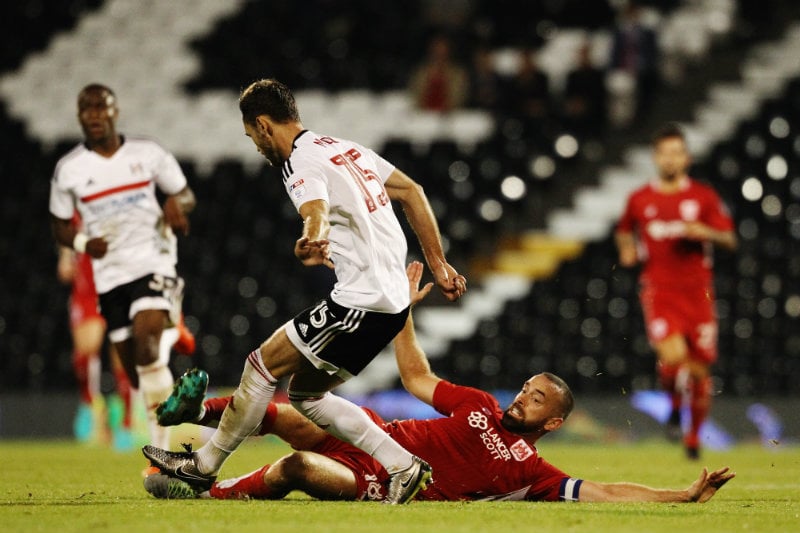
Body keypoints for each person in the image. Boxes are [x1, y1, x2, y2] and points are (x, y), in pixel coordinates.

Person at [144, 262, 734, 503]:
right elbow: (416, 374)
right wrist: (400, 308)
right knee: (290, 411)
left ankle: (207, 492)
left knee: (297, 466)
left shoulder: (533, 473)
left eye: (536, 399)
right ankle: (189, 414)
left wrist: (679, 496)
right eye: (526, 388)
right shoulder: (478, 404)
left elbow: (602, 491)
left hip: (383, 479)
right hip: (378, 433)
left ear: (553, 422)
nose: (521, 398)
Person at [143, 78, 467, 504]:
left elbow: (313, 211)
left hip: (360, 301)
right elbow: (413, 191)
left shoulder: (300, 162)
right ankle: (403, 467)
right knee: (307, 395)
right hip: (389, 304)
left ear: (263, 125)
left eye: (251, 136)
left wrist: (312, 236)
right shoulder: (347, 149)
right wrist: (439, 262)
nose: (256, 147)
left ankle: (204, 467)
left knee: (260, 366)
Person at [49, 83, 197, 458]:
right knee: (135, 374)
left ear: (116, 112)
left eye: (102, 107)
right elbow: (60, 224)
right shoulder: (69, 170)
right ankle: (171, 331)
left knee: (146, 350)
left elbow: (185, 193)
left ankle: (161, 455)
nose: (95, 114)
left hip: (152, 260)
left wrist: (176, 206)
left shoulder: (147, 154)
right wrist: (81, 245)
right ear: (80, 116)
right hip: (109, 275)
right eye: (87, 109)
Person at [614, 123, 737, 459]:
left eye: (676, 153)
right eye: (664, 153)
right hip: (660, 290)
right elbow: (625, 231)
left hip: (699, 295)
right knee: (671, 359)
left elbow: (729, 238)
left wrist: (706, 232)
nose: (670, 160)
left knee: (698, 372)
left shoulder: (703, 197)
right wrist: (626, 250)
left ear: (687, 158)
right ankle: (672, 402)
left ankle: (693, 437)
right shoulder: (640, 199)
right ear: (656, 158)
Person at [408, 34, 469, 113]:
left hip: (449, 115)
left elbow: (460, 96)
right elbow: (414, 93)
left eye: (443, 49)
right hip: (423, 114)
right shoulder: (421, 72)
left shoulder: (458, 73)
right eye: (437, 48)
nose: (440, 52)